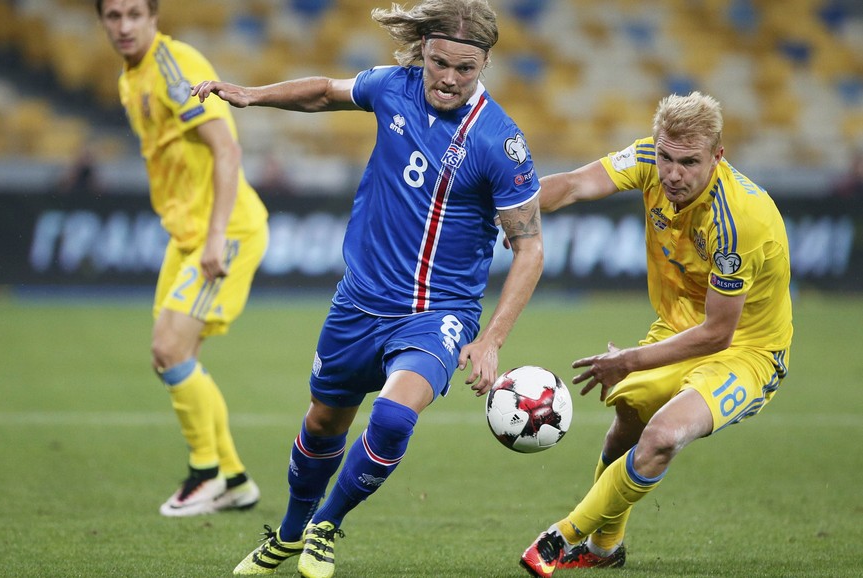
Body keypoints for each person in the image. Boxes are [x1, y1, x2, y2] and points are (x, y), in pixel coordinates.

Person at [192, 1, 544, 576]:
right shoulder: (391, 87)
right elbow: (323, 93)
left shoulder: (500, 143)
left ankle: (326, 525)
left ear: (484, 65)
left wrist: (491, 340)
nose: (449, 79)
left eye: (465, 69)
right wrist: (253, 95)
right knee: (322, 423)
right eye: (439, 64)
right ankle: (287, 535)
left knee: (392, 417)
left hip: (438, 313)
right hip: (359, 303)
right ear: (423, 52)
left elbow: (529, 246)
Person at [519, 92, 793, 576]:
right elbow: (576, 185)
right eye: (666, 157)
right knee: (629, 414)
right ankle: (606, 549)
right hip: (679, 325)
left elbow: (717, 335)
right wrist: (505, 212)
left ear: (718, 157)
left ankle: (562, 536)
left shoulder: (741, 222)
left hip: (747, 350)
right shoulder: (649, 157)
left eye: (689, 162)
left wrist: (628, 360)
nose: (672, 173)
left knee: (663, 434)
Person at [97, 0, 267, 516]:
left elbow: (227, 149)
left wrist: (215, 236)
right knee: (172, 356)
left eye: (133, 14)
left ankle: (206, 473)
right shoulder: (131, 78)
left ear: (154, 17)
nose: (123, 26)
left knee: (170, 348)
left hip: (225, 230)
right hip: (187, 234)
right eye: (112, 16)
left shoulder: (176, 67)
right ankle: (234, 479)